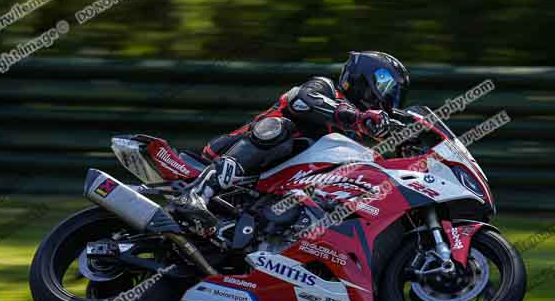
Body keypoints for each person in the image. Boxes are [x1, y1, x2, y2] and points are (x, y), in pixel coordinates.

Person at [171, 51, 410, 235]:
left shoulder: (353, 140)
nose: (389, 100)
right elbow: (301, 100)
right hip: (236, 157)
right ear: (366, 78)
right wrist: (355, 117)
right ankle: (196, 194)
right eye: (388, 88)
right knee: (280, 128)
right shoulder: (324, 88)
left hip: (273, 189)